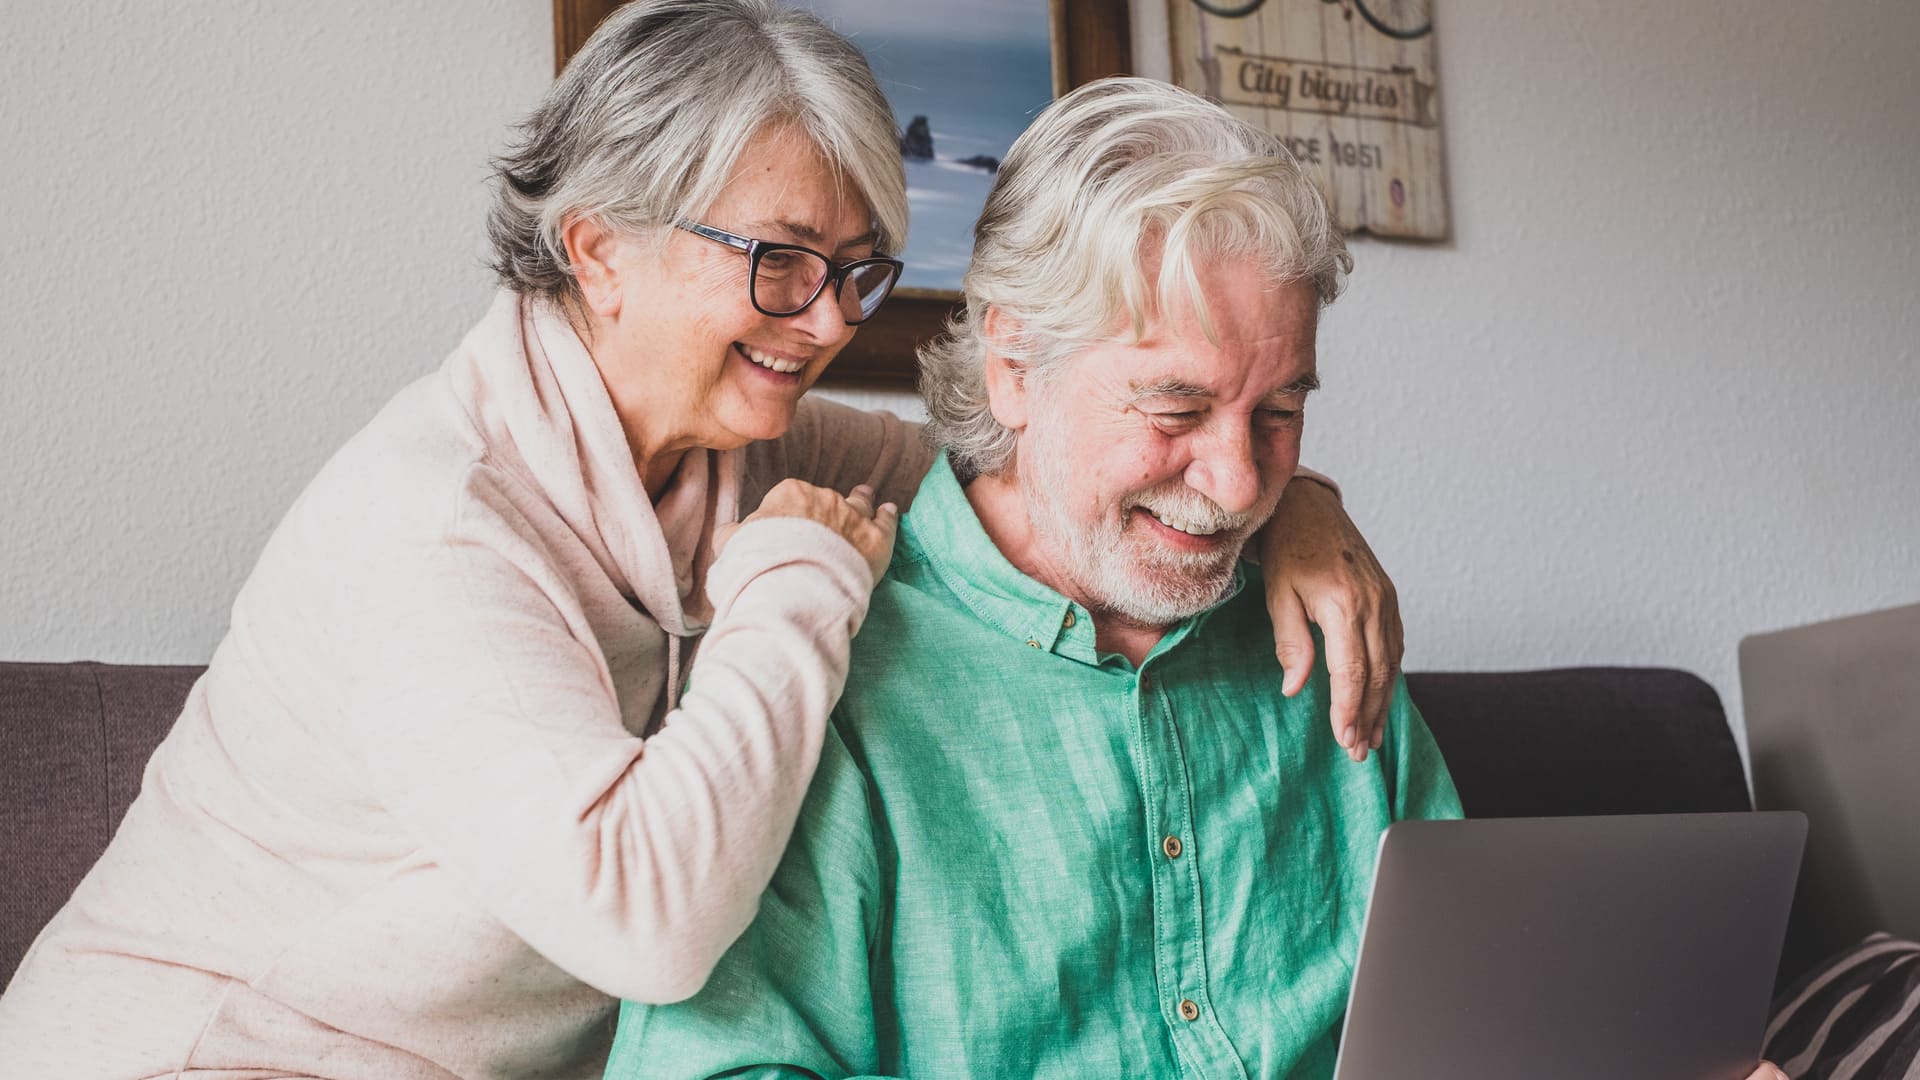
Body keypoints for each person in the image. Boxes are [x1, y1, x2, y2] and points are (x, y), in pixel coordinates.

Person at [0, 4, 1404, 1078]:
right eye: (779, 260)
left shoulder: (745, 442)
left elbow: (1031, 475)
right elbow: (650, 923)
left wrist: (1290, 509)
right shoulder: (431, 527)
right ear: (599, 250)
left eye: (855, 268)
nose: (829, 319)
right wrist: (792, 589)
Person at [601, 79, 1792, 1080]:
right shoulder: (828, 675)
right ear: (1012, 367)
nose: (1236, 485)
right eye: (1174, 409)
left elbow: (1482, 1027)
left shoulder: (1325, 626)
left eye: (1279, 414)